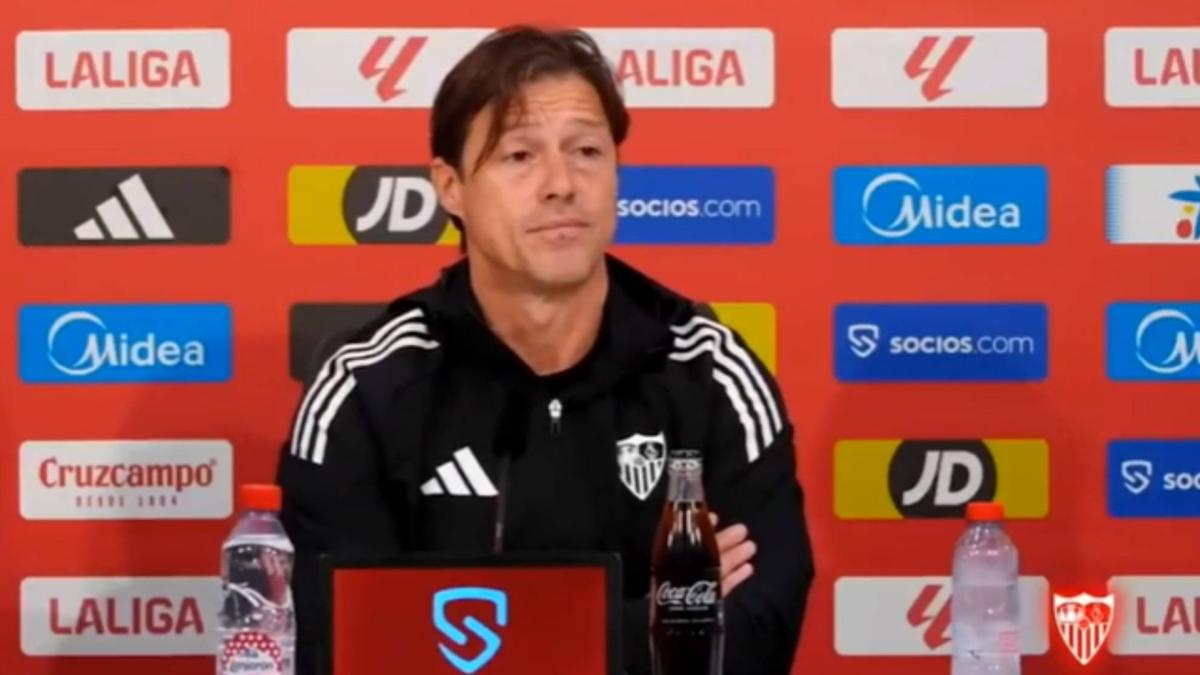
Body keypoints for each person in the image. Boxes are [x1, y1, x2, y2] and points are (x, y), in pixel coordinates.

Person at [276, 24, 814, 675]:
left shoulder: (711, 372)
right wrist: (646, 621)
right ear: (450, 186)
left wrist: (469, 633)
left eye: (587, 150)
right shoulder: (367, 384)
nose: (562, 183)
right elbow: (337, 642)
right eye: (519, 156)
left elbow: (755, 639)